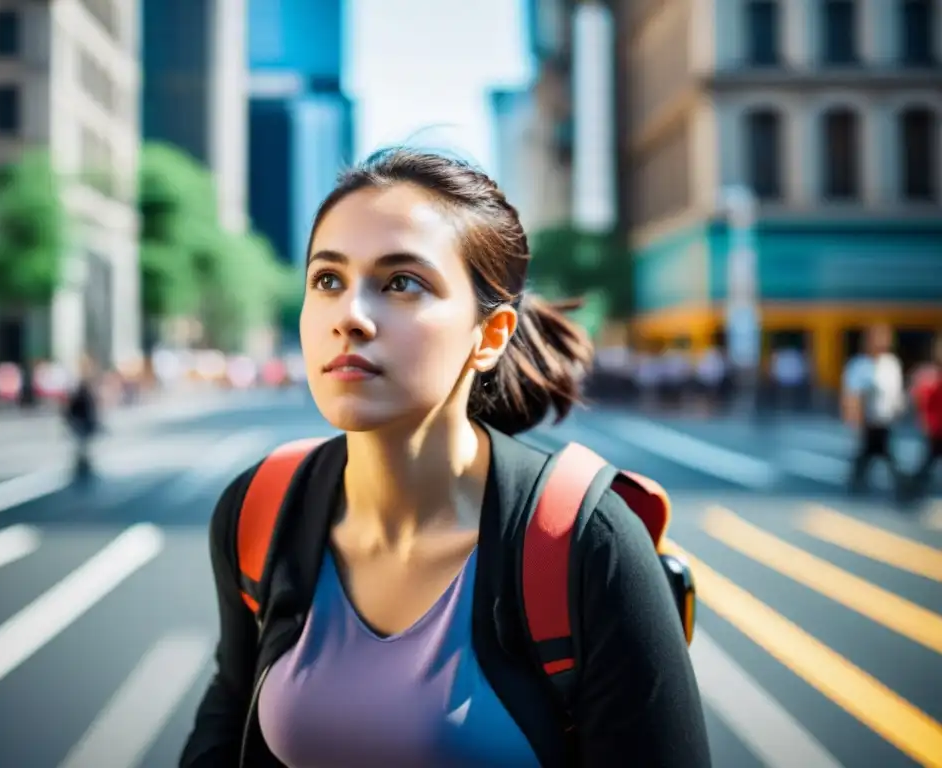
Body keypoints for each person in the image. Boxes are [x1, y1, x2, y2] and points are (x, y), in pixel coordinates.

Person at [180, 149, 710, 767]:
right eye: (328, 280)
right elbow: (222, 732)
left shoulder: (589, 545)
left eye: (402, 282)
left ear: (490, 335)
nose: (349, 316)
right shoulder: (259, 512)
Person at [842, 324, 906, 496]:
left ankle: (902, 487)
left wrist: (898, 410)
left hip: (885, 419)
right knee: (870, 454)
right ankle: (856, 485)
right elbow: (852, 394)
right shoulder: (859, 365)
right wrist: (853, 418)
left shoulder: (891, 364)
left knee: (878, 453)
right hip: (867, 420)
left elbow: (896, 393)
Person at [910, 333, 942, 498]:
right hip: (936, 427)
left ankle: (911, 488)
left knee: (928, 462)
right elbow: (919, 399)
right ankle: (911, 489)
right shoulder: (928, 374)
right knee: (928, 462)